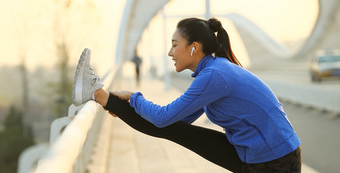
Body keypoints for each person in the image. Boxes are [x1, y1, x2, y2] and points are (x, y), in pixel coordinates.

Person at [72, 18, 301, 173]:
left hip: (274, 160)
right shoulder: (213, 71)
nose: (170, 53)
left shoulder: (213, 76)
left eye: (174, 45)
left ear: (194, 47)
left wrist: (134, 98)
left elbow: (162, 119)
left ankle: (97, 93)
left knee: (165, 124)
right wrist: (127, 109)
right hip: (260, 151)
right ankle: (97, 94)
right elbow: (173, 123)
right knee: (171, 128)